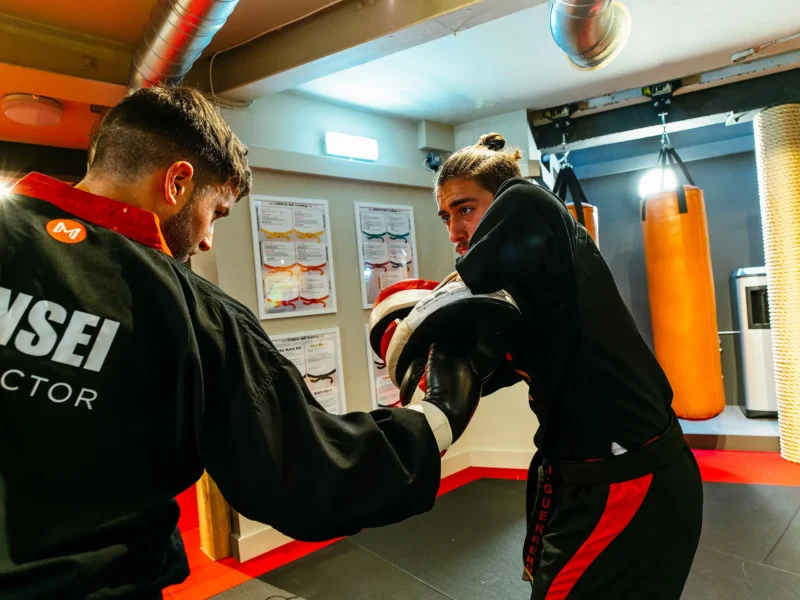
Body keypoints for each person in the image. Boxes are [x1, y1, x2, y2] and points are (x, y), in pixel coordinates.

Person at [0, 85, 483, 600]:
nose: (207, 239)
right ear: (177, 183)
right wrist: (439, 413)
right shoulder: (191, 312)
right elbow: (307, 474)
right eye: (217, 212)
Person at [433, 133, 703, 599]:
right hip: (581, 479)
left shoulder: (532, 205)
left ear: (502, 202)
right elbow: (480, 372)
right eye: (446, 217)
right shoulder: (527, 297)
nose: (455, 231)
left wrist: (433, 303)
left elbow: (523, 200)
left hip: (630, 478)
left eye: (466, 209)